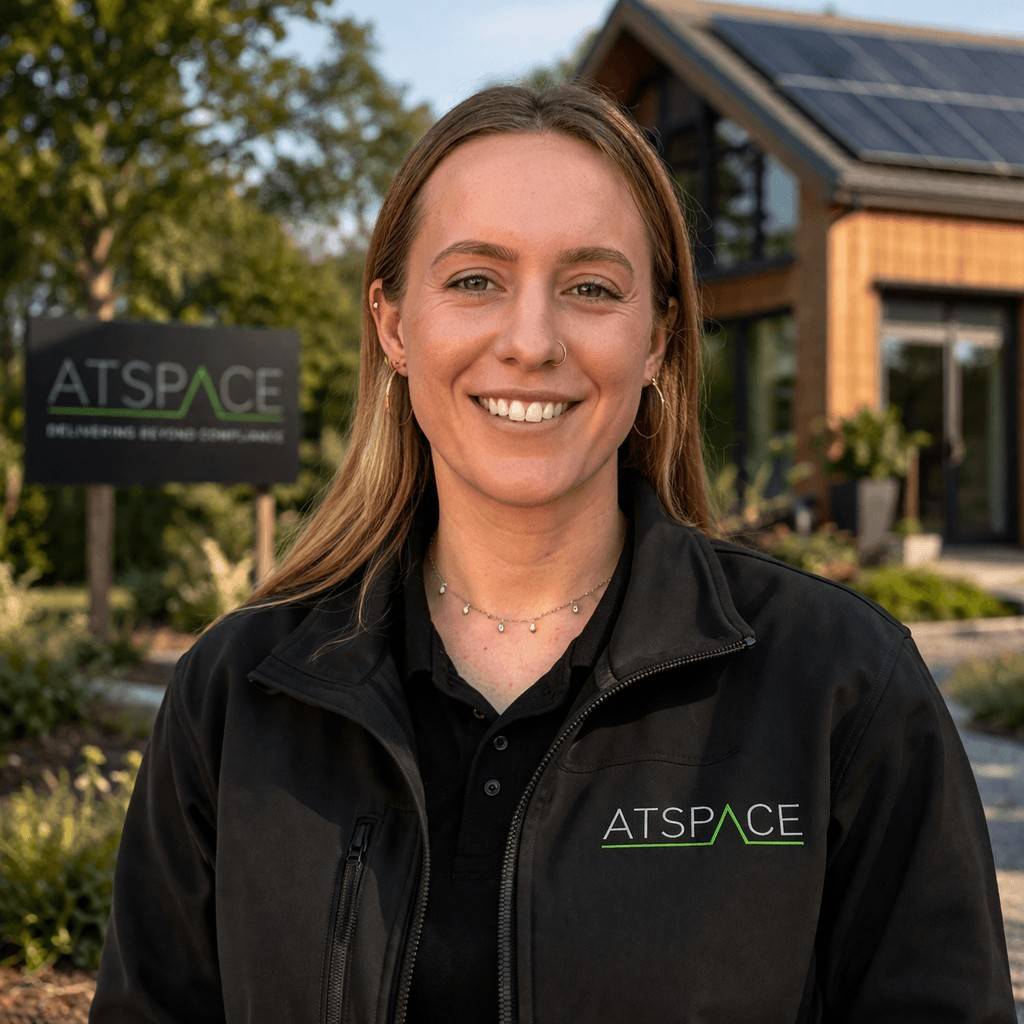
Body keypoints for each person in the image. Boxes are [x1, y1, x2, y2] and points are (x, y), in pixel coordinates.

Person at [89, 82, 1015, 1023]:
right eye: (475, 280)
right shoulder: (236, 697)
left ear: (656, 340)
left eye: (591, 289)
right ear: (394, 325)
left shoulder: (839, 686)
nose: (531, 342)